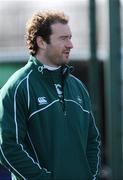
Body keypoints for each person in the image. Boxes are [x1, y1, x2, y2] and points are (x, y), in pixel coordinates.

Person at [0, 10, 100, 180]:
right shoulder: (18, 87)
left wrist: (91, 176)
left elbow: (93, 140)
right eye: (63, 38)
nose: (70, 44)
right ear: (41, 42)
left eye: (70, 37)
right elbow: (7, 146)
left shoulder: (78, 87)